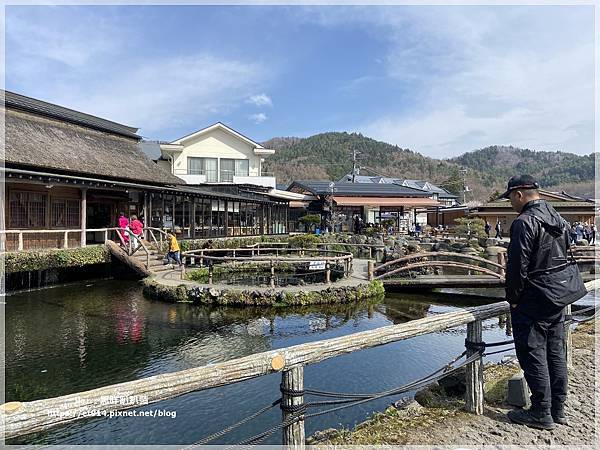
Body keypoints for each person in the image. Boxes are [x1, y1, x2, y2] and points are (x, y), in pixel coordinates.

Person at [501, 175, 587, 430]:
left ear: (519, 194)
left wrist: (513, 301)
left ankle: (540, 411)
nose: (511, 205)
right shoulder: (558, 218)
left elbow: (517, 267)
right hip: (558, 296)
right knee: (555, 353)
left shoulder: (524, 222)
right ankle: (557, 408)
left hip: (534, 298)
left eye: (510, 199)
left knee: (533, 353)